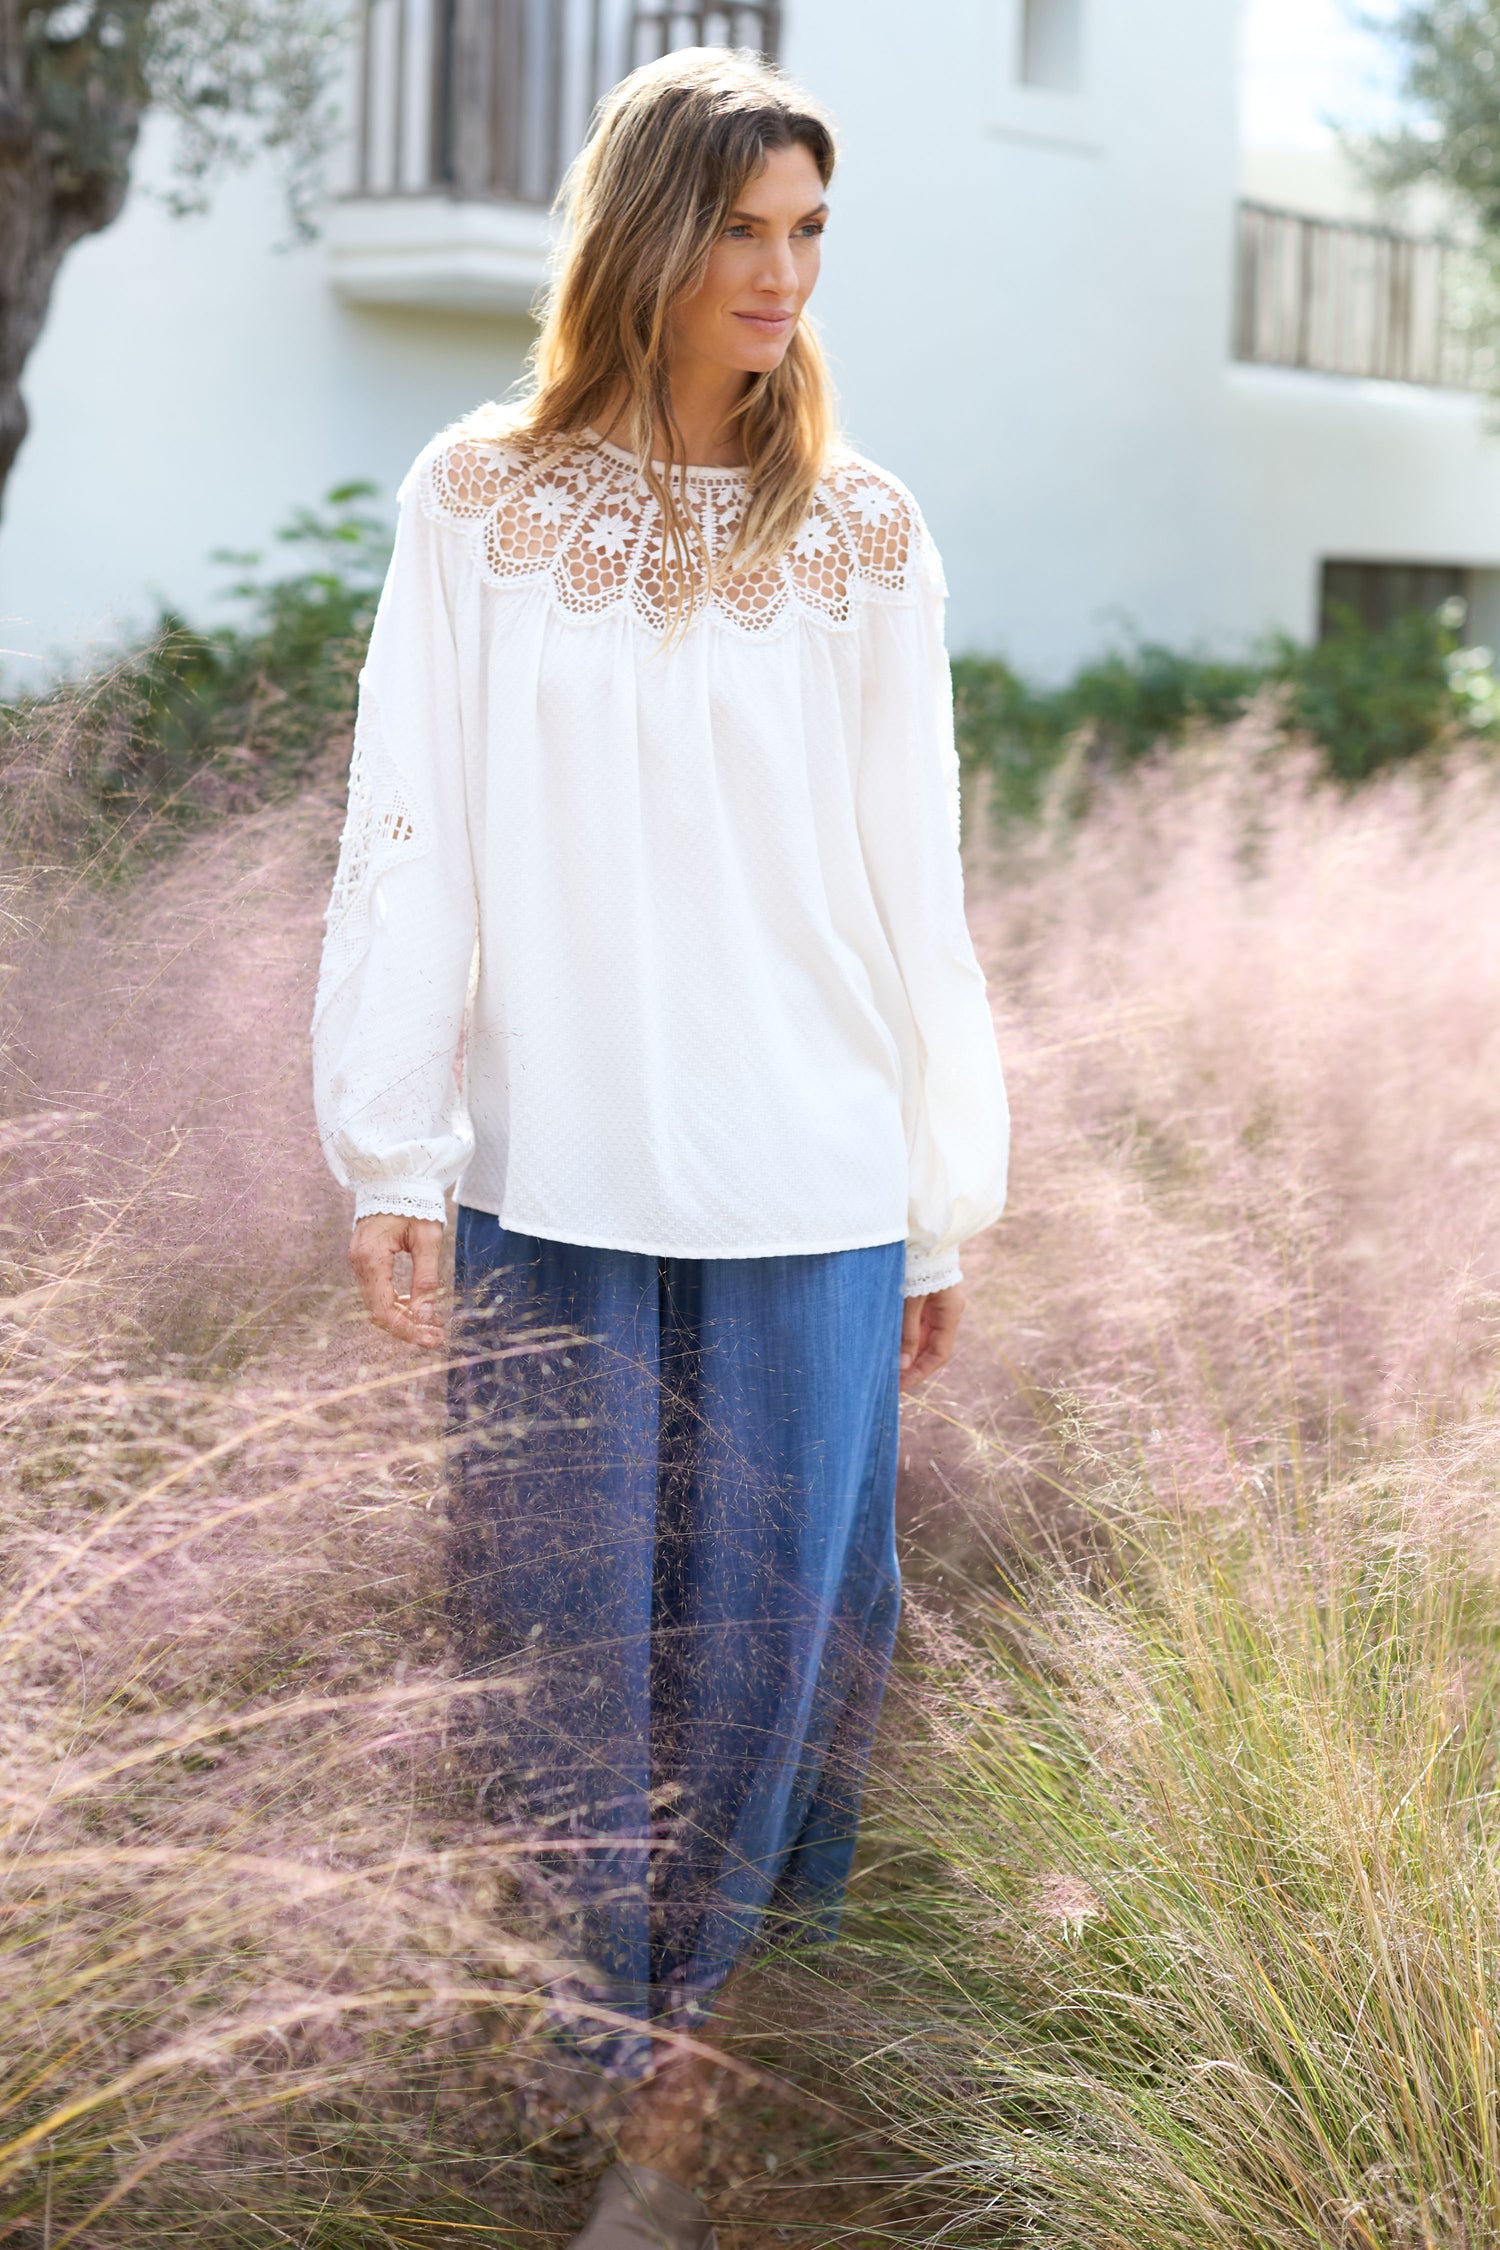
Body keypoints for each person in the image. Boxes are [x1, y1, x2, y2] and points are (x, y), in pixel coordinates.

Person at [312, 43, 1008, 2250]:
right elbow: (407, 838)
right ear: (643, 235)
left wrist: (937, 1201)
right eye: (741, 227)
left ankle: (687, 2091)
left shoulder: (868, 532)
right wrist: (391, 1152)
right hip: (557, 1177)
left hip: (810, 1184)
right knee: (555, 1646)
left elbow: (920, 888)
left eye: (811, 232)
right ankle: (594, 2058)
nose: (782, 274)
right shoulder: (480, 500)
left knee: (771, 1655)